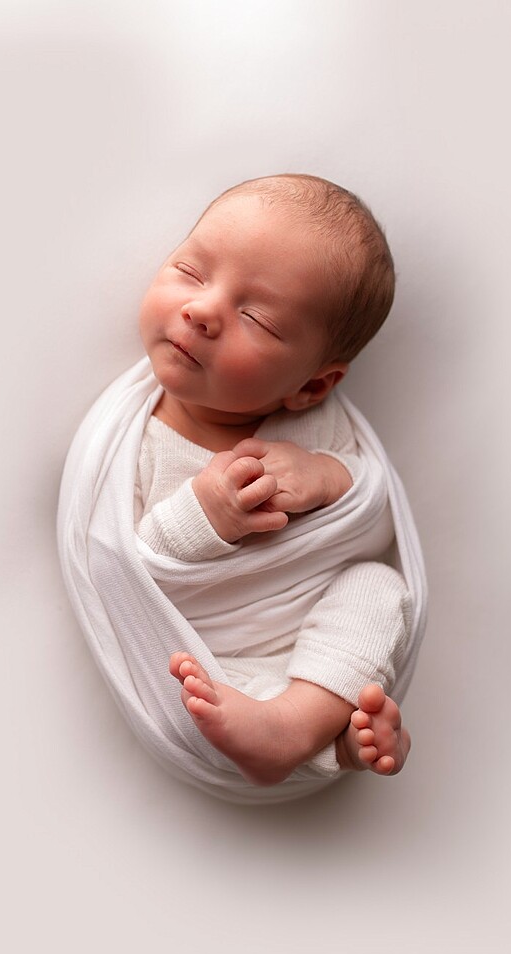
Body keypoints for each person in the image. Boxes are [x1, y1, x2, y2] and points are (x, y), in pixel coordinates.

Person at [134, 174, 414, 786]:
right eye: (191, 270)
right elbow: (127, 563)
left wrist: (325, 476)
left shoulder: (317, 422)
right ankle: (324, 735)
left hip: (301, 651)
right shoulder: (134, 438)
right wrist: (203, 514)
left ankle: (310, 726)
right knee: (196, 684)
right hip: (201, 654)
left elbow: (372, 509)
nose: (202, 310)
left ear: (310, 386)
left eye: (255, 317)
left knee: (377, 585)